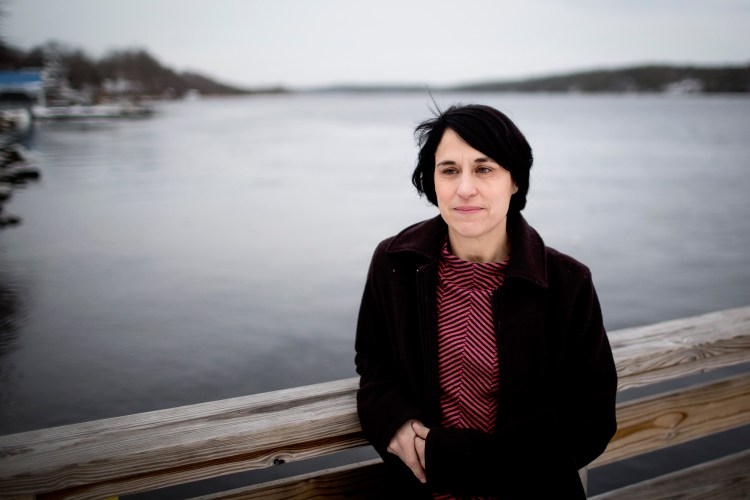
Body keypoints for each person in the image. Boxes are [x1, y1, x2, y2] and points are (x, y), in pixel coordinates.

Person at [354, 104, 617, 498]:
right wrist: (395, 423)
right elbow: (374, 363)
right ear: (432, 181)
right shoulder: (395, 263)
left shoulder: (566, 281)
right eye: (449, 170)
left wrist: (455, 457)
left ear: (515, 180)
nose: (464, 188)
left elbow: (588, 420)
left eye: (484, 168)